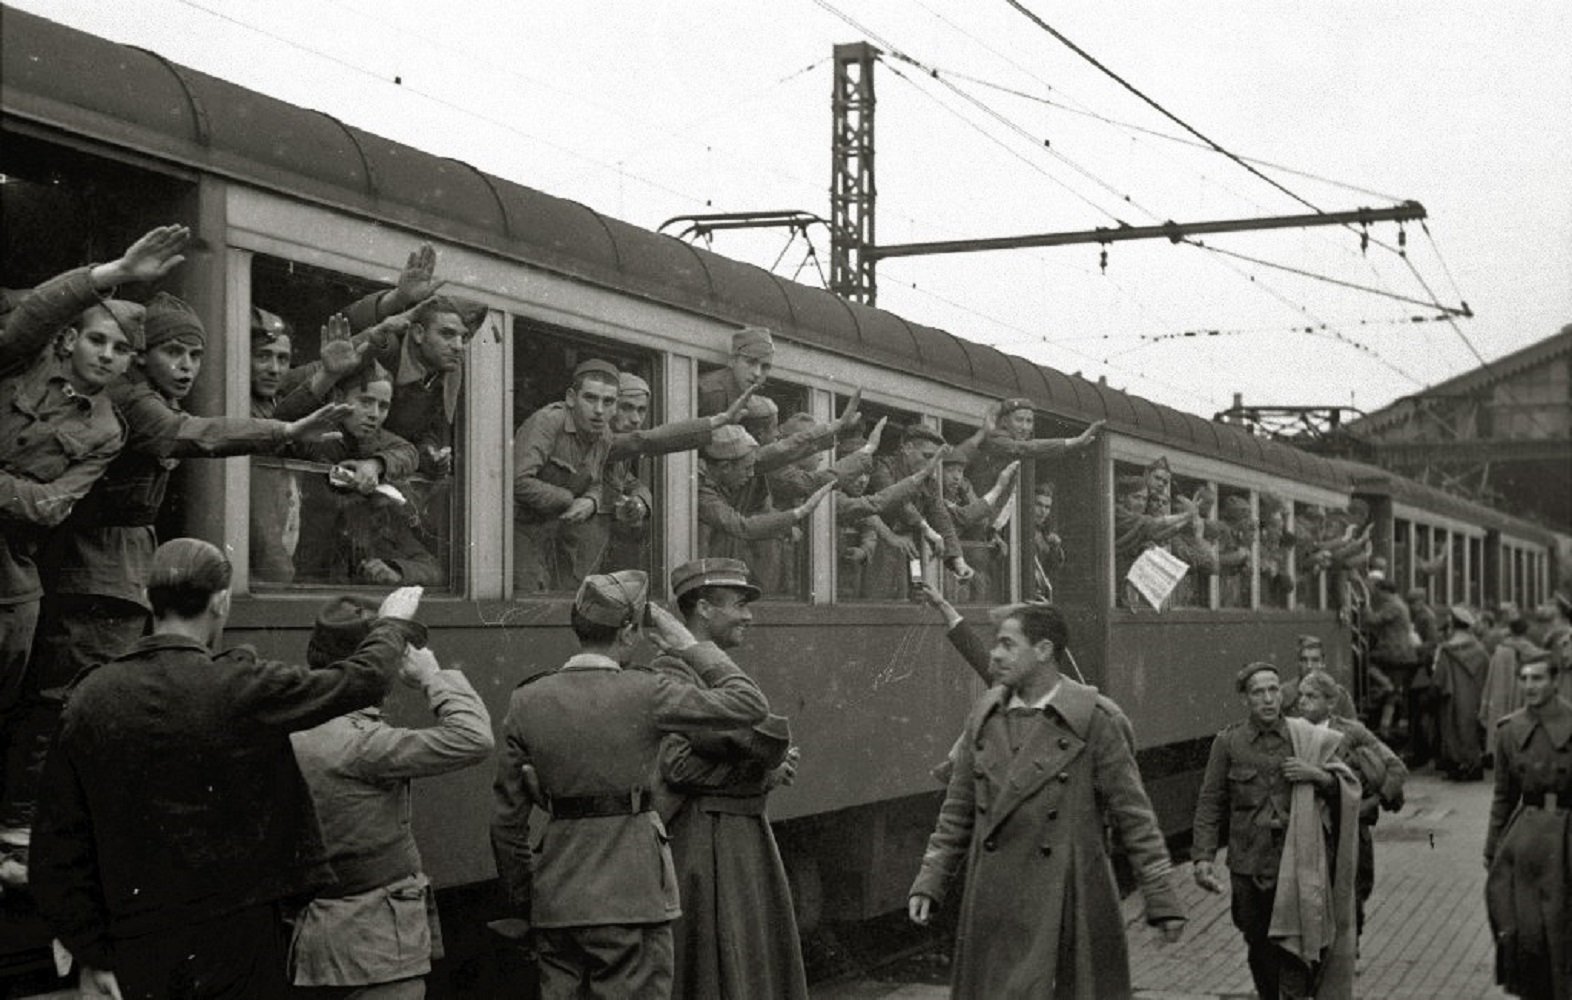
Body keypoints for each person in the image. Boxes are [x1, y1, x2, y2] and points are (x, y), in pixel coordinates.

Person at [30, 540, 427, 999]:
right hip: (239, 940)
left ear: (145, 596)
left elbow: (56, 851)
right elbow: (361, 679)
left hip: (136, 943)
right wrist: (392, 623)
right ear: (221, 601)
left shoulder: (89, 696)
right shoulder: (239, 686)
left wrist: (92, 950)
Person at [490, 570, 770, 1000]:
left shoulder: (526, 699)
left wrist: (528, 901)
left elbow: (507, 826)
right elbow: (748, 704)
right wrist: (692, 648)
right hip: (632, 898)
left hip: (556, 901)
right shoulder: (645, 692)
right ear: (627, 631)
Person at [0, 227, 181, 884]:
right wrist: (113, 271)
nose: (106, 355)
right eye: (96, 339)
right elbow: (35, 312)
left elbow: (51, 507)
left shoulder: (106, 427)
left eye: (120, 348)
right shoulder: (19, 362)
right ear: (70, 340)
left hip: (15, 574)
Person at [908, 603, 1184, 999]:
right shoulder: (983, 717)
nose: (995, 655)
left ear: (1043, 650)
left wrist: (1162, 899)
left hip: (1067, 903)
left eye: (1007, 644)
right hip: (992, 902)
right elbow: (957, 812)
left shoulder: (1094, 720)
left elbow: (1135, 818)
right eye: (995, 645)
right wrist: (930, 881)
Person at [289, 596, 494, 998]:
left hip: (315, 942)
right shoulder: (362, 744)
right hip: (375, 951)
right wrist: (433, 677)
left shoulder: (294, 726)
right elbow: (474, 737)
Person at [652, 558, 807, 1000]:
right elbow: (678, 766)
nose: (748, 615)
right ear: (702, 608)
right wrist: (763, 772)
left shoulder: (693, 669)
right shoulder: (675, 671)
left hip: (728, 838)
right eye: (738, 604)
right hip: (707, 840)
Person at [1191, 663, 1357, 999]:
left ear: (1282, 695)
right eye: (1258, 692)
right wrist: (1203, 857)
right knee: (1258, 944)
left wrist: (1317, 775)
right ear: (1246, 700)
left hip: (1297, 863)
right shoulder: (1228, 743)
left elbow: (1346, 785)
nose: (1268, 699)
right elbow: (1211, 802)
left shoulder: (1306, 738)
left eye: (1273, 690)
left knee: (1294, 948)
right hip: (1249, 866)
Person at [291, 360, 438, 586]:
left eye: (384, 406)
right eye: (366, 402)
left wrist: (374, 465)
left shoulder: (380, 442)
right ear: (339, 398)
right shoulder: (318, 433)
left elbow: (409, 453)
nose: (374, 414)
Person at [1294, 669, 1406, 939]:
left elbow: (1396, 767)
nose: (1302, 702)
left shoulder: (1351, 732)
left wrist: (1373, 801)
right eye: (1300, 696)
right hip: (1308, 828)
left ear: (1331, 702)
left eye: (1311, 696)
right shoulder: (1292, 732)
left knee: (1353, 891)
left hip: (1349, 827)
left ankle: (1349, 946)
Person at [1483, 652, 1571, 1000]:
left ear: (1554, 681)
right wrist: (1492, 847)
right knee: (1525, 931)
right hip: (1524, 844)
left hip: (1566, 841)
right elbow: (1503, 796)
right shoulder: (1509, 730)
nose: (1530, 686)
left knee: (1563, 932)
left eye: (1538, 678)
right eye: (1525, 678)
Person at [696, 425, 837, 563]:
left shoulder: (719, 473)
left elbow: (780, 451)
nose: (751, 474)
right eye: (747, 469)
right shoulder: (701, 493)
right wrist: (799, 512)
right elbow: (744, 527)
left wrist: (832, 428)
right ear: (725, 467)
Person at [865, 425, 974, 598]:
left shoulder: (928, 482)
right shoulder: (883, 466)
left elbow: (942, 519)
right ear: (908, 448)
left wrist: (959, 562)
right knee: (878, 601)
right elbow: (897, 500)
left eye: (935, 459)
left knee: (914, 593)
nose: (931, 464)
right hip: (877, 549)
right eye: (927, 456)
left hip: (909, 554)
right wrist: (926, 528)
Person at [248, 306, 303, 583]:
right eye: (263, 357)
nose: (274, 369)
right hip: (262, 571)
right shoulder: (240, 406)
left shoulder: (276, 403)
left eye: (283, 359)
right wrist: (280, 574)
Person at [1434, 606, 1490, 780]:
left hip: (1451, 697)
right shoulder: (1480, 650)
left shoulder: (1446, 650)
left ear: (1452, 624)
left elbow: (1438, 678)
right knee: (1472, 729)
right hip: (1475, 696)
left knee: (1452, 729)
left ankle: (1459, 766)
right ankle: (1474, 765)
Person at [1482, 618, 1546, 761]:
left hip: (1499, 696)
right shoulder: (1532, 652)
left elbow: (1491, 677)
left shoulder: (1499, 651)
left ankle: (1498, 754)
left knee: (1500, 724)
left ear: (1510, 631)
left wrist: (1486, 702)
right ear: (1526, 631)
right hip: (1521, 694)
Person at [697, 326, 775, 430]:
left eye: (765, 367)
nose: (757, 373)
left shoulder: (748, 396)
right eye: (751, 362)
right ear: (733, 360)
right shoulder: (710, 391)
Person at [1281, 634, 1357, 720]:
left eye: (1315, 660)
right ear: (1298, 663)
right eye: (1304, 660)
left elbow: (1353, 728)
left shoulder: (1340, 696)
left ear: (1323, 663)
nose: (1309, 666)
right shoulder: (1285, 694)